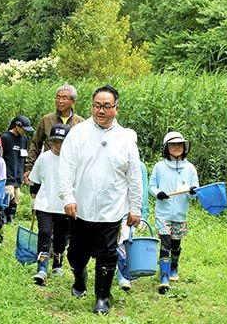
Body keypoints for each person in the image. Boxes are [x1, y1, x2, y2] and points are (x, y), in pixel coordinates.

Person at [58, 84, 142, 315]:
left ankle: (102, 297)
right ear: (91, 106)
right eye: (97, 106)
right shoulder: (78, 133)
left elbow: (134, 177)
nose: (101, 111)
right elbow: (65, 168)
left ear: (116, 108)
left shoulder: (125, 139)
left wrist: (135, 208)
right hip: (80, 207)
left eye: (106, 106)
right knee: (76, 254)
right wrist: (68, 197)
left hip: (111, 208)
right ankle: (79, 276)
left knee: (107, 254)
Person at [149, 131, 199, 294]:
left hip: (180, 214)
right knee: (165, 243)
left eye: (179, 144)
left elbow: (195, 191)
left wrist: (193, 193)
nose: (176, 147)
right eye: (173, 144)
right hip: (163, 213)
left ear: (184, 147)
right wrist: (158, 193)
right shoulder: (159, 166)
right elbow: (151, 187)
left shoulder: (190, 168)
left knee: (176, 244)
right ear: (166, 147)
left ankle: (173, 266)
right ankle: (163, 276)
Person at [28, 123, 71, 286]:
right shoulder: (44, 158)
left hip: (64, 206)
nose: (58, 145)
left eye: (62, 142)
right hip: (45, 204)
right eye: (55, 142)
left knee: (61, 238)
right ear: (50, 142)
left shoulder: (73, 160)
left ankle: (58, 264)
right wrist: (33, 200)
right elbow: (36, 181)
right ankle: (42, 267)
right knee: (45, 234)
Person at [23, 85, 85, 185]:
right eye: (58, 97)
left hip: (71, 171)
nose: (60, 101)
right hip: (49, 169)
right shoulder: (47, 119)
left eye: (64, 98)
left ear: (73, 101)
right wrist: (29, 167)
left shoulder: (80, 122)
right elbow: (35, 144)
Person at [115, 160, 149, 292]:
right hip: (110, 210)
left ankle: (123, 274)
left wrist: (143, 213)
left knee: (125, 241)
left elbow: (143, 190)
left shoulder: (140, 166)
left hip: (130, 211)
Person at [1, 115, 34, 224]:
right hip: (7, 172)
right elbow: (0, 156)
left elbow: (24, 156)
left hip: (18, 172)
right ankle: (3, 215)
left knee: (16, 196)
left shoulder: (24, 139)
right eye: (23, 129)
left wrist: (25, 171)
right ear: (17, 125)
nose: (24, 132)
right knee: (8, 193)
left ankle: (11, 217)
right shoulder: (5, 137)